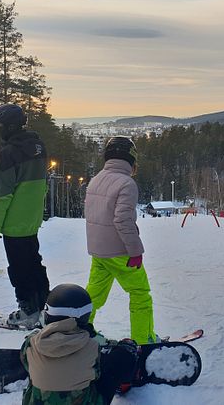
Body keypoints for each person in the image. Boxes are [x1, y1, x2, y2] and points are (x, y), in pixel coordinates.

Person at [84, 136, 157, 344]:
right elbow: (123, 220)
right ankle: (144, 341)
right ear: (131, 160)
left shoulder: (97, 178)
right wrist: (135, 251)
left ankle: (81, 331)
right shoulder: (127, 183)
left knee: (94, 294)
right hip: (120, 252)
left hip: (98, 251)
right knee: (140, 293)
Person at [20, 284, 138, 405]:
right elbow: (97, 374)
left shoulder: (31, 343)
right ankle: (125, 379)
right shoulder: (92, 347)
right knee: (120, 359)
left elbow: (26, 363)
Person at [0, 103, 49, 328]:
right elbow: (41, 185)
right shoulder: (38, 146)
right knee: (34, 262)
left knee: (19, 268)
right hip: (32, 219)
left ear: (10, 126)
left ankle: (28, 311)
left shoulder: (8, 153)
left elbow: (3, 194)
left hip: (14, 222)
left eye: (0, 126)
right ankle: (44, 305)